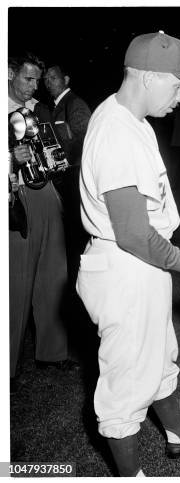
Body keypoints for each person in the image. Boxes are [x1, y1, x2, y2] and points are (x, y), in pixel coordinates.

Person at [76, 31, 180, 476]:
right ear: (148, 77)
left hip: (142, 266)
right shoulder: (116, 133)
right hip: (127, 267)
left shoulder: (134, 120)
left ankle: (178, 436)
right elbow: (132, 234)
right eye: (178, 83)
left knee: (158, 355)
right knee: (126, 383)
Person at [8, 52, 74, 392]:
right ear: (8, 73)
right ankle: (8, 366)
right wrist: (8, 156)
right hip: (15, 200)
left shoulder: (37, 108)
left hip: (46, 191)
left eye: (37, 80)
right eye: (28, 79)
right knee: (16, 284)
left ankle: (53, 351)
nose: (35, 86)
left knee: (54, 274)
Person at [41, 63, 92, 284]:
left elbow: (86, 139)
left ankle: (82, 281)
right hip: (64, 179)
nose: (48, 82)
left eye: (53, 77)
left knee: (76, 233)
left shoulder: (74, 103)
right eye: (46, 79)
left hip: (75, 176)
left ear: (66, 79)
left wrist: (65, 161)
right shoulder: (54, 106)